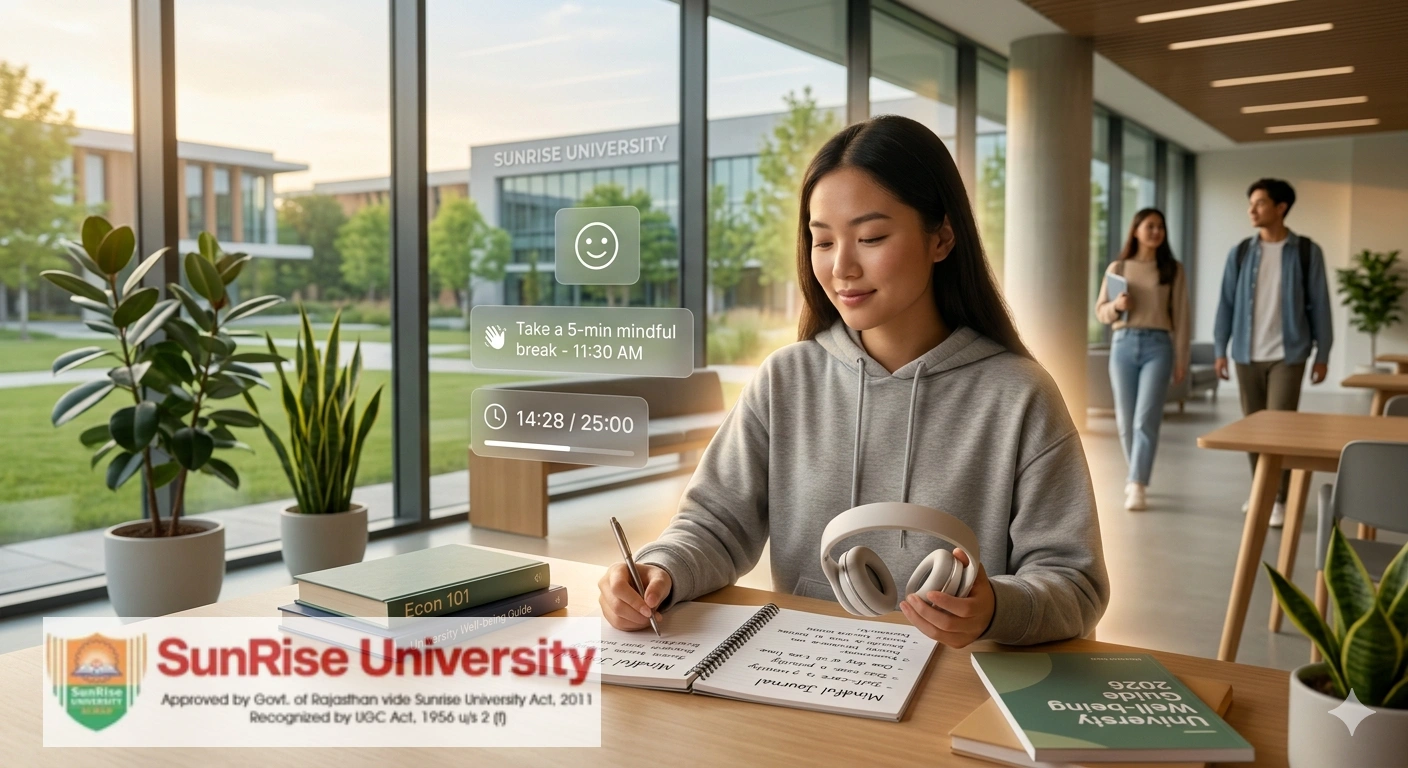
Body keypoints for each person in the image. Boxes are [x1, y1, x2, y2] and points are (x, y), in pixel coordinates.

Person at [597, 115, 1109, 648]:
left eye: (871, 237)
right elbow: (713, 525)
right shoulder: (785, 380)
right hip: (804, 675)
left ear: (942, 238)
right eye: (822, 241)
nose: (842, 267)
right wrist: (659, 571)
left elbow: (1075, 584)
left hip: (957, 694)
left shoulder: (1020, 395)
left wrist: (995, 609)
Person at [1212, 178, 1333, 528]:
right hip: (1246, 354)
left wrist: (1323, 353)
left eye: (1260, 203)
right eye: (1251, 203)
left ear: (1281, 208)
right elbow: (1226, 305)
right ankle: (1262, 489)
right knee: (1253, 431)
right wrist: (1221, 349)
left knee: (1280, 429)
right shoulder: (1240, 253)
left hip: (1288, 354)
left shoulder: (1307, 251)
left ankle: (1278, 498)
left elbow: (1320, 306)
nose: (1252, 209)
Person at [1094, 209, 1191, 511]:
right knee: (1125, 421)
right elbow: (1100, 312)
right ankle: (1137, 474)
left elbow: (1183, 317)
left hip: (1158, 347)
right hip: (1123, 344)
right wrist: (1117, 306)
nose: (1156, 232)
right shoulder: (1119, 267)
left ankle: (1136, 483)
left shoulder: (1173, 269)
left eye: (1161, 227)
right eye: (1150, 226)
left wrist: (1181, 358)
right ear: (1135, 230)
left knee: (1145, 420)